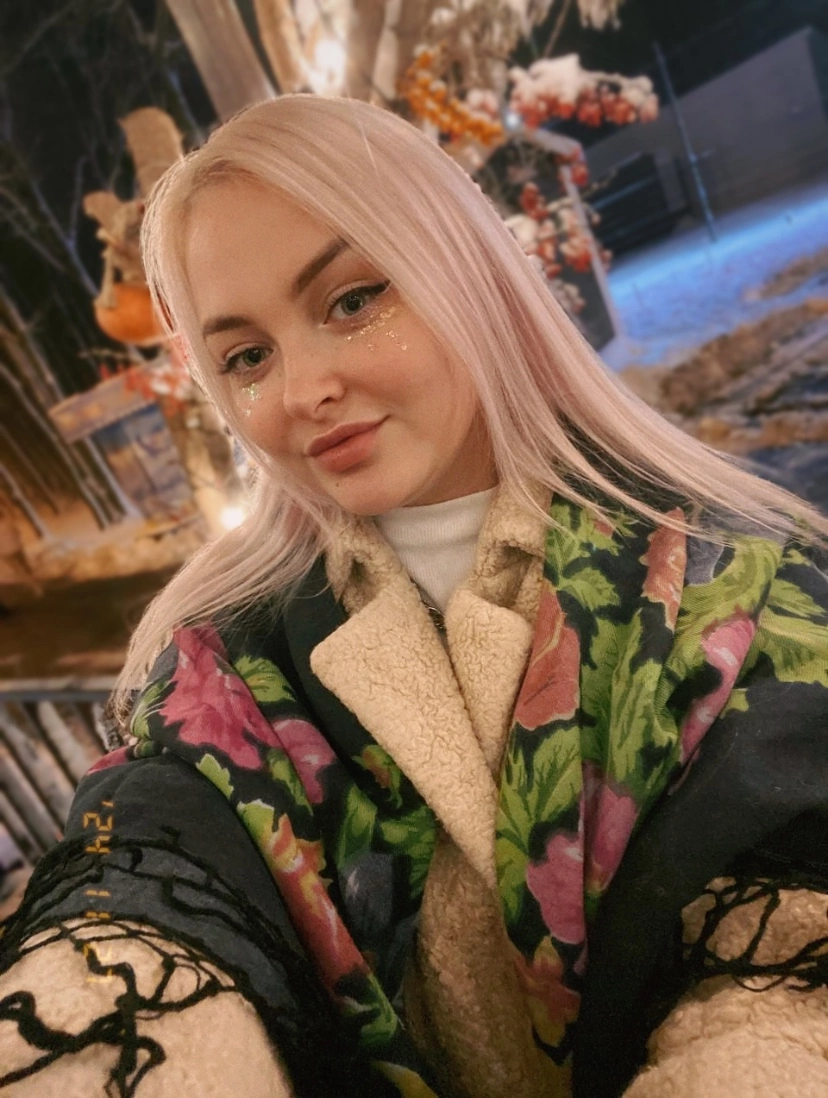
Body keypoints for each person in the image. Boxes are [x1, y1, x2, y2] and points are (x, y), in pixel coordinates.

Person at [1, 94, 827, 1098]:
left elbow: (789, 945)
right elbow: (154, 867)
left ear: (464, 270)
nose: (302, 390)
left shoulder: (738, 583)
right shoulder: (224, 664)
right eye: (247, 357)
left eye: (352, 300)